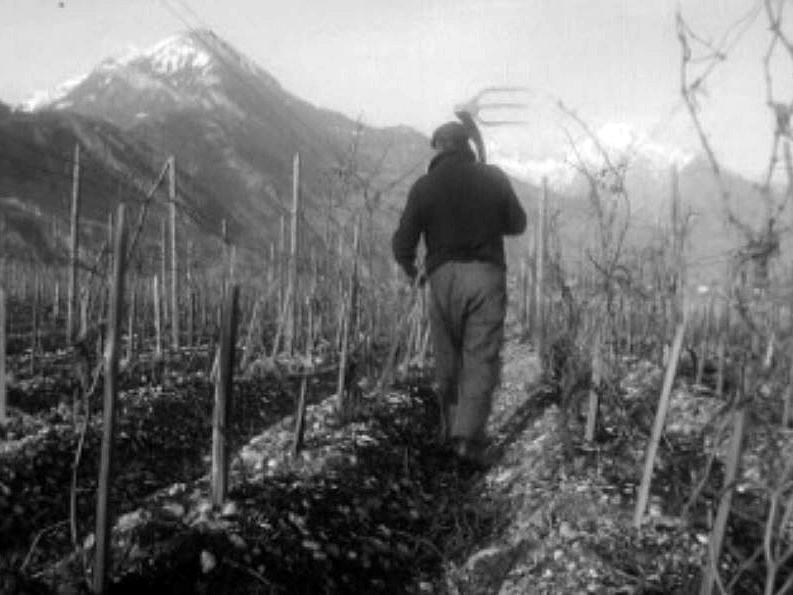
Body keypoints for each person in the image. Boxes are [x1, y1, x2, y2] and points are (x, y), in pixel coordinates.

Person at [391, 120, 526, 465]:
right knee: (480, 356)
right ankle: (467, 439)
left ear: (438, 148)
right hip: (486, 276)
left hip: (442, 278)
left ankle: (449, 432)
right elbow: (517, 224)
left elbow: (402, 244)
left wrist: (412, 271)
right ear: (467, 145)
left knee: (448, 356)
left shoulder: (424, 186)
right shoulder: (492, 176)